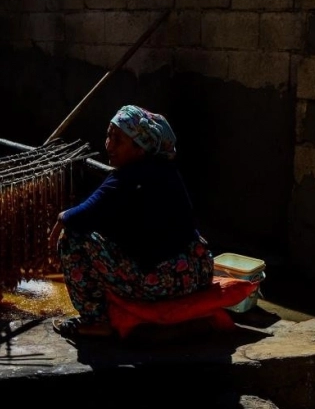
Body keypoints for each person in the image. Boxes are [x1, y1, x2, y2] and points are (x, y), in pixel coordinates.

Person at [48, 105, 213, 337]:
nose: (109, 145)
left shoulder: (127, 177)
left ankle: (95, 321)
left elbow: (78, 216)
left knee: (71, 238)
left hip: (164, 281)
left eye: (118, 140)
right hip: (198, 271)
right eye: (108, 135)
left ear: (140, 149)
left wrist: (60, 219)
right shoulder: (168, 170)